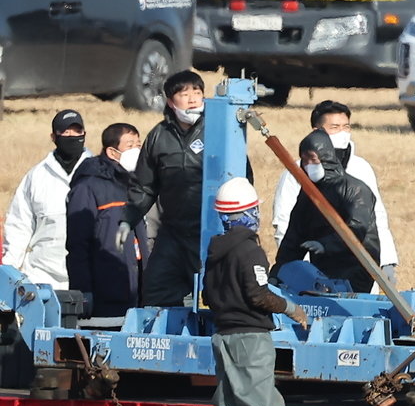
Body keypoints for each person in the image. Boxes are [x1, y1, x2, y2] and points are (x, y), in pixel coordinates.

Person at [203, 176, 308, 406]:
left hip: (222, 336)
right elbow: (258, 295)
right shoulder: (250, 251)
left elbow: (208, 295)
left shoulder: (215, 251)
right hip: (250, 340)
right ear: (250, 212)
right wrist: (291, 309)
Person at [123, 71, 251, 307]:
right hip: (172, 232)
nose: (192, 99)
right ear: (171, 102)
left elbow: (242, 180)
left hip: (213, 231)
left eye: (197, 92)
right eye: (184, 94)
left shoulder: (219, 131)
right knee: (156, 291)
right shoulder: (158, 136)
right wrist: (127, 218)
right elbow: (144, 185)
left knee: (221, 296)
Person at [272, 101, 399, 288]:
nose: (342, 133)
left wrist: (388, 260)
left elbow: (369, 222)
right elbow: (291, 229)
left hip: (357, 267)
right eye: (335, 127)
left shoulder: (359, 175)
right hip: (316, 270)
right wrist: (283, 271)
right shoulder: (302, 182)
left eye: (346, 127)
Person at [275, 130, 380, 294]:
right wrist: (278, 274)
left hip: (356, 266)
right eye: (304, 160)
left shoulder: (354, 189)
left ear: (326, 157)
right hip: (322, 269)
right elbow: (294, 237)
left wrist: (326, 244)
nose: (309, 164)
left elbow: (356, 229)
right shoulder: (308, 195)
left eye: (313, 159)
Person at [3, 109, 92, 288]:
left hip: (90, 275)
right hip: (42, 275)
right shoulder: (37, 176)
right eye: (66, 132)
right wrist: (9, 272)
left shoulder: (98, 173)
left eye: (77, 131)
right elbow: (19, 224)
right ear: (53, 137)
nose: (72, 136)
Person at [66, 123, 148, 316]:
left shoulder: (137, 185)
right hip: (107, 291)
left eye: (138, 144)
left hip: (139, 290)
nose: (136, 150)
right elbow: (78, 244)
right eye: (130, 145)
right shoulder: (88, 187)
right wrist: (83, 292)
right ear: (112, 152)